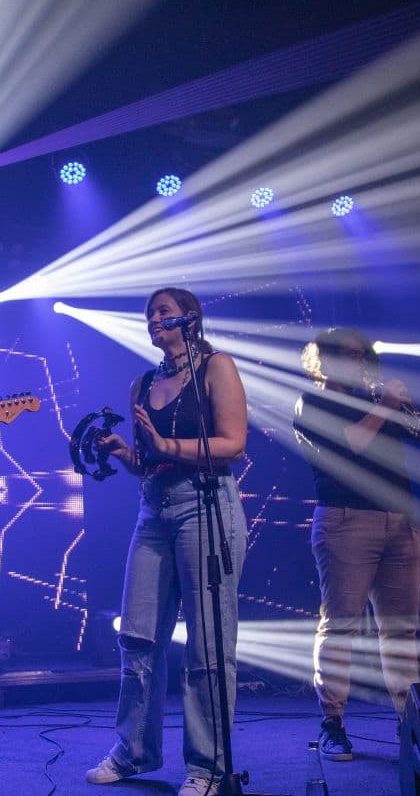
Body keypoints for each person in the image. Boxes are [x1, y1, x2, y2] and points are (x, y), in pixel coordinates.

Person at [84, 287, 248, 796]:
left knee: (207, 643)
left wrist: (166, 445)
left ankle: (207, 767)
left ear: (189, 318)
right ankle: (134, 751)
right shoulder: (142, 383)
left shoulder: (216, 367)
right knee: (137, 634)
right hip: (154, 509)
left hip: (206, 503)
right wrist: (124, 453)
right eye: (149, 314)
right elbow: (149, 461)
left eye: (163, 311)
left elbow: (233, 444)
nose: (154, 319)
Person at [293, 328, 420, 761]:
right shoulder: (312, 403)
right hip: (346, 521)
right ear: (325, 359)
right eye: (348, 354)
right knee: (340, 625)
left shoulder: (373, 401)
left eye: (362, 355)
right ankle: (332, 721)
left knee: (401, 629)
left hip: (400, 521)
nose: (358, 362)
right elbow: (351, 444)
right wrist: (387, 406)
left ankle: (409, 722)